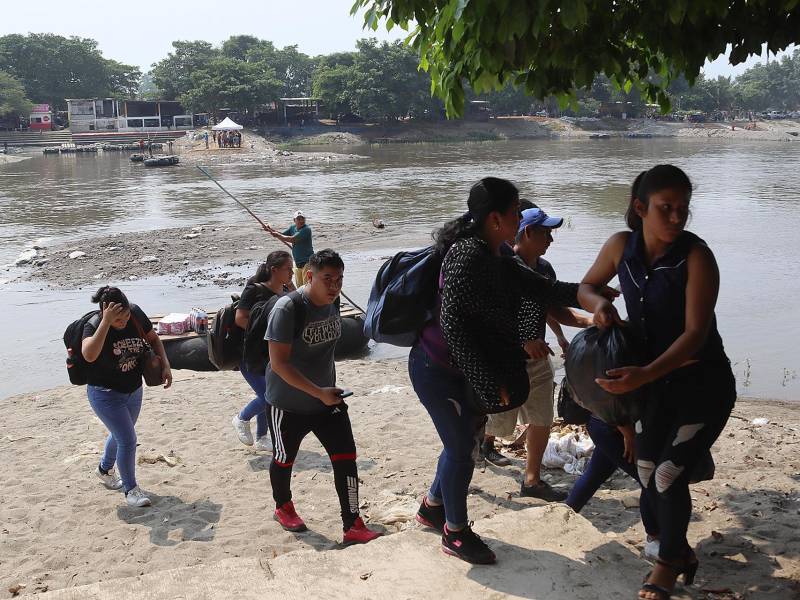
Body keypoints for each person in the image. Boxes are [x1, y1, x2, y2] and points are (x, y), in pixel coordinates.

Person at [578, 165, 735, 600]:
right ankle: (680, 549)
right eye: (666, 208)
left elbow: (695, 335)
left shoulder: (696, 257)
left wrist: (644, 374)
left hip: (702, 386)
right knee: (647, 472)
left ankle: (667, 564)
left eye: (683, 208)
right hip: (653, 389)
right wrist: (599, 307)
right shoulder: (619, 247)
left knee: (667, 475)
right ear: (639, 208)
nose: (677, 218)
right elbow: (588, 286)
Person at [411, 177, 582, 565]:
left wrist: (589, 293)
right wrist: (489, 383)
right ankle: (455, 535)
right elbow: (453, 327)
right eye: (515, 213)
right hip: (436, 368)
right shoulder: (467, 255)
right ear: (495, 219)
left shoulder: (497, 254)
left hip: (458, 370)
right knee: (460, 449)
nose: (519, 219)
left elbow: (539, 288)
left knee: (464, 442)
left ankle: (432, 506)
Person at [265, 249, 382, 545]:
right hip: (287, 404)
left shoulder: (334, 303)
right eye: (327, 279)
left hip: (327, 400)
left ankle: (353, 523)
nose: (334, 286)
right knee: (284, 459)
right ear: (309, 276)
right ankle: (283, 506)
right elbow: (279, 364)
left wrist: (324, 391)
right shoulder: (287, 309)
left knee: (347, 458)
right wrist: (317, 391)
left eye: (339, 279)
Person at [481, 206, 593, 501]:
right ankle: (464, 465)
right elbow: (488, 320)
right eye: (546, 233)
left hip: (538, 360)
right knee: (492, 422)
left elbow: (552, 308)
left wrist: (589, 320)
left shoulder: (544, 270)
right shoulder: (503, 266)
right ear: (527, 233)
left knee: (542, 418)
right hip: (504, 363)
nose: (551, 240)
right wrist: (522, 342)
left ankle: (532, 481)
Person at [81, 286, 173, 508]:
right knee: (128, 439)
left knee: (122, 434)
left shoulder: (135, 314)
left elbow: (153, 339)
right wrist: (105, 322)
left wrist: (166, 365)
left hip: (133, 390)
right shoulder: (93, 325)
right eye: (118, 319)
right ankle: (131, 490)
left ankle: (104, 470)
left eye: (126, 316)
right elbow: (88, 354)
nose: (123, 322)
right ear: (105, 312)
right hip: (104, 394)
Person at [565, 415, 661, 560]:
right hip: (614, 427)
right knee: (650, 481)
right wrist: (628, 434)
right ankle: (654, 539)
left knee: (597, 472)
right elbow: (611, 401)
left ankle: (563, 515)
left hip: (606, 425)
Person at [231, 251, 295, 451]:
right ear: (274, 270)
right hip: (250, 353)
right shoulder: (255, 289)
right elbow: (240, 318)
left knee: (268, 392)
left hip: (271, 354)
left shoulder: (284, 293)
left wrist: (292, 290)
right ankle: (242, 418)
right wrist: (267, 328)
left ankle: (261, 437)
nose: (292, 272)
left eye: (292, 268)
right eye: (288, 269)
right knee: (270, 395)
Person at [265, 211, 314, 288]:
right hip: (298, 263)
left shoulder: (306, 229)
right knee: (299, 287)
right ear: (294, 220)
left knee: (307, 287)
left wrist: (277, 235)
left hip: (307, 262)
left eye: (303, 219)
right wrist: (270, 230)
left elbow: (292, 239)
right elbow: (282, 235)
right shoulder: (292, 228)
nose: (301, 221)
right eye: (299, 219)